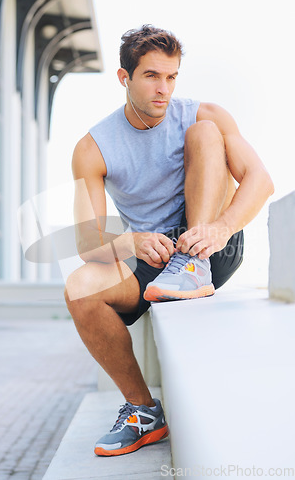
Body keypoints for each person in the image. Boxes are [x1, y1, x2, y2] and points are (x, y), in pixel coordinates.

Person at [64, 25, 274, 456]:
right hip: (152, 255)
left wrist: (220, 227)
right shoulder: (93, 147)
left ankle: (192, 269)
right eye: (152, 76)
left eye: (172, 77)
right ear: (125, 78)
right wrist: (132, 242)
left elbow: (261, 180)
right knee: (80, 287)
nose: (164, 89)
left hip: (211, 243)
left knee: (204, 134)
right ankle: (142, 412)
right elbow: (87, 240)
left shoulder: (205, 114)